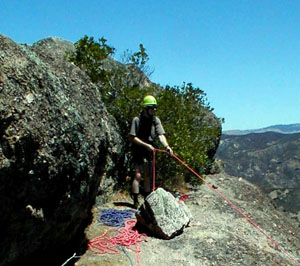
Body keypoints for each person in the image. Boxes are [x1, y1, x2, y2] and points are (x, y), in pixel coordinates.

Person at [129, 95, 173, 208]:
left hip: (150, 149)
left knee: (148, 175)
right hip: (139, 149)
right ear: (146, 108)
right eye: (152, 108)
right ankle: (135, 200)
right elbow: (132, 137)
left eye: (155, 108)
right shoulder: (137, 120)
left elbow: (161, 135)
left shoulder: (155, 120)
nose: (154, 110)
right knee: (138, 175)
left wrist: (167, 146)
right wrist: (145, 145)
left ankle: (147, 200)